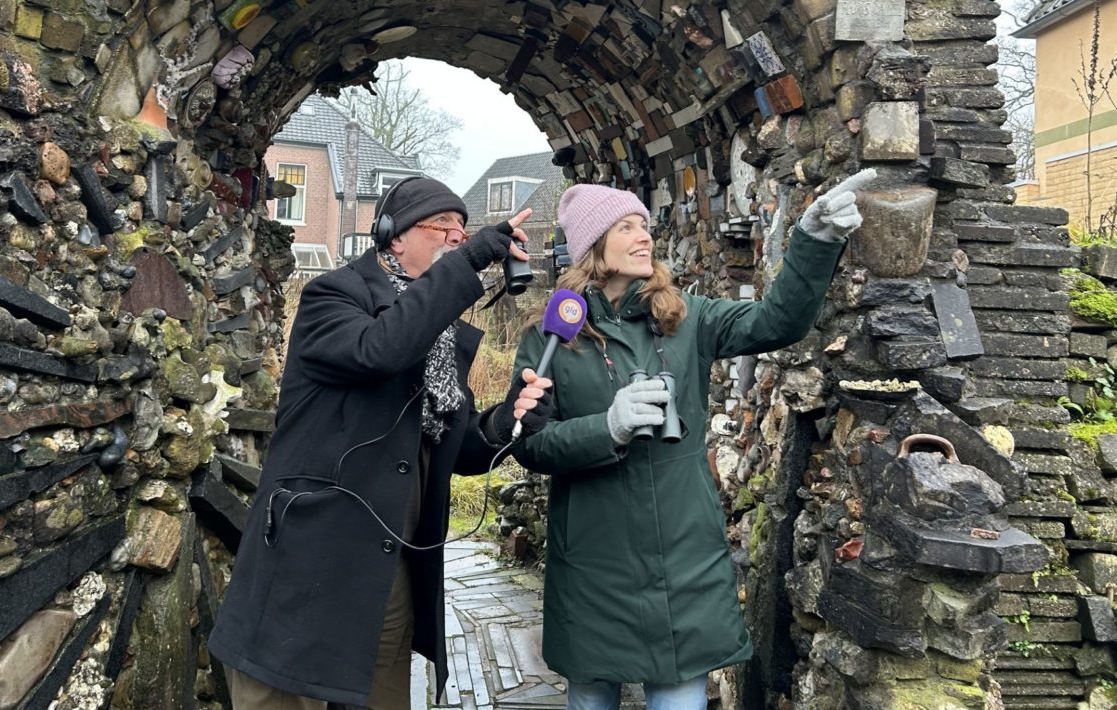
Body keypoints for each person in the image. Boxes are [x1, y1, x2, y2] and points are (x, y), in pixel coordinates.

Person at [510, 170, 876, 709]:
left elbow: (780, 321)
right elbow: (531, 444)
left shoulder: (687, 318)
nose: (645, 236)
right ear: (592, 246)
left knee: (681, 697)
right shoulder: (549, 339)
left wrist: (814, 242)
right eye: (627, 227)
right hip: (592, 559)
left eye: (645, 225)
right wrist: (606, 428)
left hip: (684, 555)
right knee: (590, 697)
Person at [209, 176, 554, 709]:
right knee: (283, 695)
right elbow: (380, 350)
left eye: (464, 233)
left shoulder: (437, 335)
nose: (456, 239)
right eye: (443, 228)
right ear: (394, 237)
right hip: (313, 557)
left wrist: (507, 420)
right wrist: (464, 269)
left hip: (388, 565)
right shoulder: (334, 297)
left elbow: (455, 450)